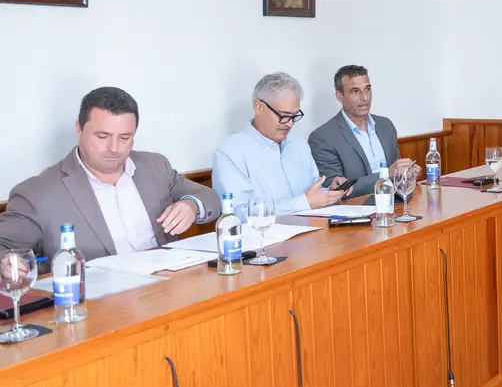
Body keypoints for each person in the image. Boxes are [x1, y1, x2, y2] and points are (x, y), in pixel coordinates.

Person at [0, 87, 218, 260]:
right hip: (96, 306)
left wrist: (191, 204)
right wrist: (10, 265)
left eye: (125, 138)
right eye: (103, 136)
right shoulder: (38, 193)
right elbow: (4, 250)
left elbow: (211, 199)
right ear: (79, 129)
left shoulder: (154, 166)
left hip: (165, 291)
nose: (114, 148)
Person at [213, 72, 349, 215]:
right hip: (264, 235)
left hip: (311, 230)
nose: (289, 124)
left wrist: (329, 191)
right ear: (258, 107)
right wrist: (303, 203)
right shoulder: (230, 152)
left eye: (294, 116)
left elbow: (311, 193)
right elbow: (239, 214)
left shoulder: (298, 143)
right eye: (284, 116)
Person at [308, 65, 420, 198]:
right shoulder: (323, 137)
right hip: (356, 211)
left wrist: (407, 173)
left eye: (367, 89)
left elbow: (397, 174)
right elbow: (337, 191)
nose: (364, 98)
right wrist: (387, 174)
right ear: (339, 96)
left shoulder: (386, 125)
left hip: (396, 204)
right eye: (355, 91)